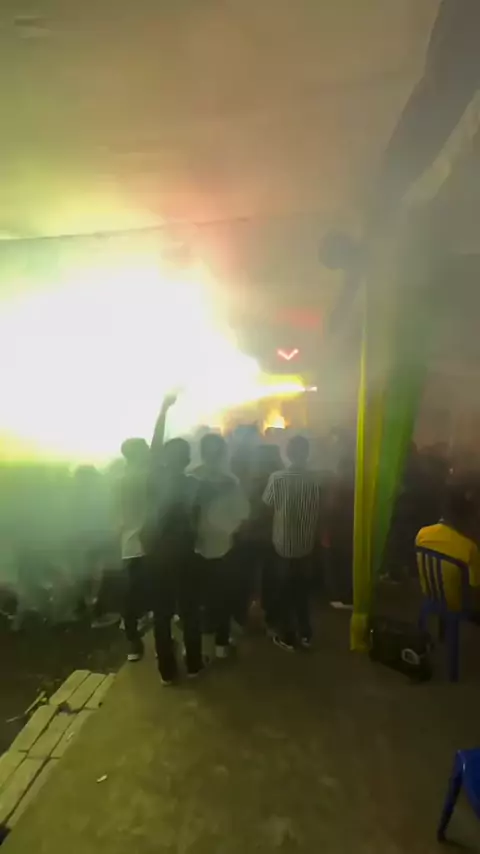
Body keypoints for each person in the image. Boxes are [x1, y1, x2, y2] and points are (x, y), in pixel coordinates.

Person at [145, 397, 204, 685]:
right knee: (190, 611)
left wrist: (163, 411)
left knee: (162, 614)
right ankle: (193, 663)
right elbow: (199, 521)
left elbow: (155, 447)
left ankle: (167, 671)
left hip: (158, 555)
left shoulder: (156, 479)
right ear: (189, 460)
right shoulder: (194, 485)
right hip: (187, 555)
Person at [191, 433, 249, 658]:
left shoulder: (191, 478)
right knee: (224, 595)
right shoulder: (231, 481)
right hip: (225, 547)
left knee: (199, 596)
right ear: (223, 453)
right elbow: (242, 514)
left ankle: (199, 640)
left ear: (202, 452)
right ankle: (221, 644)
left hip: (196, 547)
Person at [263, 435, 322, 651]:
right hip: (306, 544)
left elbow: (267, 504)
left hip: (282, 544)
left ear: (287, 453)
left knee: (283, 591)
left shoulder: (277, 478)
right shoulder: (316, 480)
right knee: (302, 591)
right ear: (307, 454)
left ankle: (287, 636)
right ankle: (305, 633)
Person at [415, 474, 480, 612]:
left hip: (430, 596)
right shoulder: (469, 548)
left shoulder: (422, 534)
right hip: (458, 605)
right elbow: (475, 588)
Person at [117, 437, 151, 661]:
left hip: (129, 544)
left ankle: (133, 643)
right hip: (151, 543)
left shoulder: (119, 481)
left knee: (131, 594)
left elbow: (116, 517)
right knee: (158, 593)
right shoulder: (149, 478)